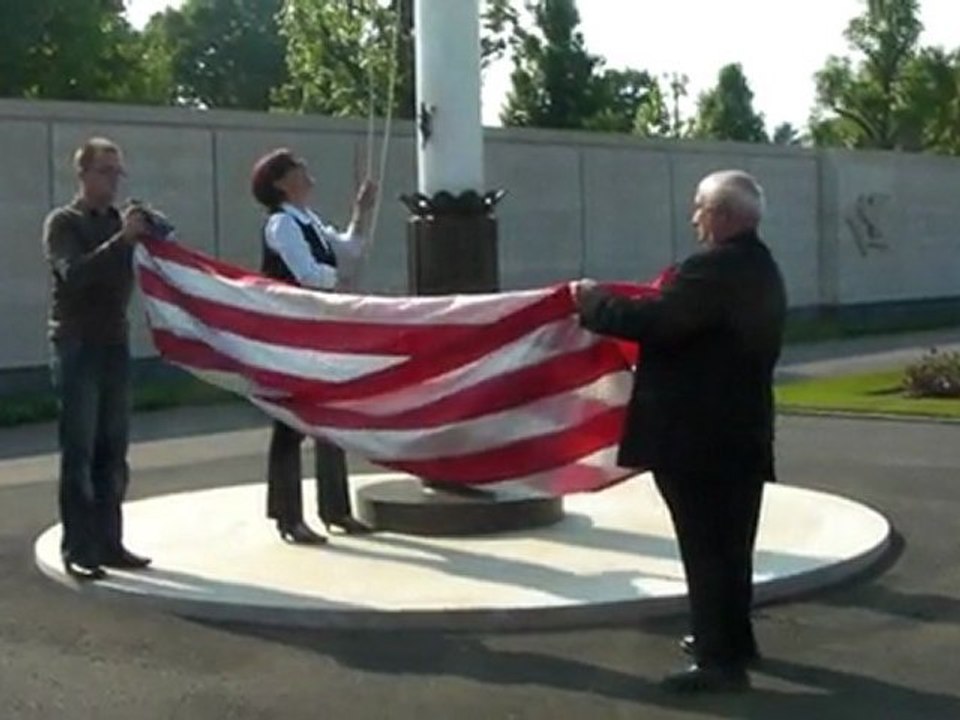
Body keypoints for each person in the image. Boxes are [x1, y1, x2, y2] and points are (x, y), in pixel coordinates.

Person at [574, 170, 787, 694]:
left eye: (701, 208)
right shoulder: (762, 267)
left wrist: (593, 302)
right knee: (732, 546)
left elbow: (661, 321)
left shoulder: (713, 269)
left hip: (699, 438)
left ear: (725, 216)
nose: (695, 218)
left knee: (706, 548)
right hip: (740, 433)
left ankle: (719, 661)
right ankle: (732, 640)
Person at [250, 148, 377, 545]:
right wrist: (337, 281)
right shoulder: (281, 225)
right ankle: (288, 516)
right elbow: (307, 274)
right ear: (281, 182)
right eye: (300, 169)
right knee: (291, 423)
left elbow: (350, 249)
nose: (309, 174)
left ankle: (334, 508)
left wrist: (361, 212)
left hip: (318, 331)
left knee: (329, 417)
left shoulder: (309, 222)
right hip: (291, 333)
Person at [42, 137, 153, 581]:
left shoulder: (117, 221)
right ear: (84, 174)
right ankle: (79, 546)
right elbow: (75, 275)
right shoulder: (63, 223)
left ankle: (110, 542)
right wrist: (120, 241)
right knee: (80, 449)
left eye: (117, 172)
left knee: (114, 450)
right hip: (76, 344)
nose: (113, 180)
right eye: (105, 171)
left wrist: (150, 232)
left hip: (114, 342)